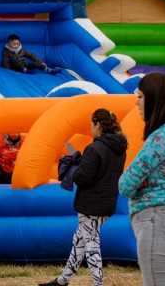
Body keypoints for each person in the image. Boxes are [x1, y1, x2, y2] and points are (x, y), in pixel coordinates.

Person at [118, 72, 165, 286]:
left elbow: (125, 183)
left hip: (157, 224)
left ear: (155, 99)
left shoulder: (163, 135)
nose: (137, 102)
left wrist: (141, 183)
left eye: (141, 96)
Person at [41, 109, 127, 286]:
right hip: (108, 202)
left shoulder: (94, 148)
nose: (90, 128)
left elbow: (83, 177)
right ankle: (62, 280)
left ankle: (98, 283)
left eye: (91, 124)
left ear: (98, 125)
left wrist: (75, 167)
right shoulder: (120, 149)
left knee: (91, 244)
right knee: (80, 241)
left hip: (90, 204)